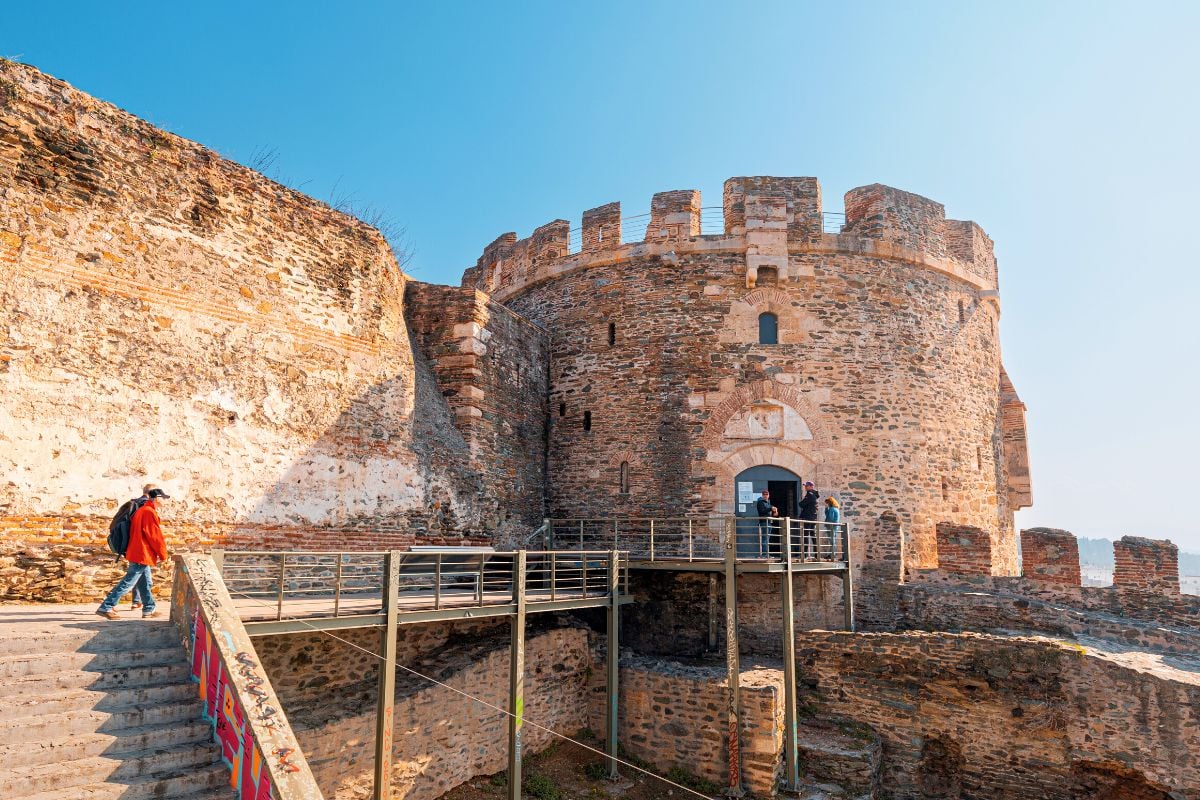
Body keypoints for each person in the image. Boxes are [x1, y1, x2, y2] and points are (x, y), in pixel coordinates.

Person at [96, 487, 170, 619]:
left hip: (136, 551)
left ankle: (148, 608)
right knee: (129, 581)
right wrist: (163, 555)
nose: (165, 501)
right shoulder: (148, 512)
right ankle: (106, 606)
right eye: (163, 498)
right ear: (157, 498)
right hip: (142, 553)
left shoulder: (143, 510)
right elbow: (155, 536)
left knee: (145, 582)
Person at [798, 481, 820, 560]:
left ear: (811, 486)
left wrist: (802, 501)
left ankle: (805, 555)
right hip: (813, 517)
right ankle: (816, 554)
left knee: (806, 535)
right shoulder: (814, 494)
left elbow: (801, 504)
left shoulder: (810, 494)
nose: (805, 487)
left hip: (808, 517)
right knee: (813, 535)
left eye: (807, 486)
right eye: (805, 486)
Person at [754, 489, 772, 558]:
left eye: (767, 494)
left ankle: (767, 554)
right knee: (765, 538)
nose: (765, 495)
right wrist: (771, 509)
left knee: (767, 539)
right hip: (764, 522)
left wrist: (774, 510)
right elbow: (762, 511)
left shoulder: (768, 503)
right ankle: (764, 555)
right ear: (762, 495)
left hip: (769, 522)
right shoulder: (760, 502)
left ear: (769, 495)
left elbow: (769, 511)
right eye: (764, 494)